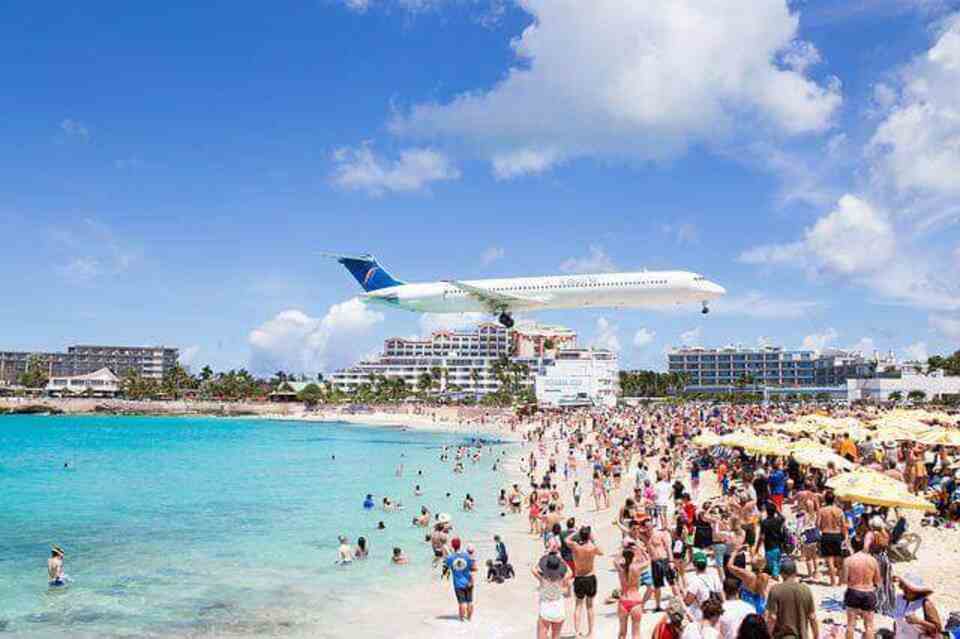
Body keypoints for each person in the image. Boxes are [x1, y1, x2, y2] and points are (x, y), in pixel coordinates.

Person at [765, 559, 818, 639]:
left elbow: (772, 618)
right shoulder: (806, 589)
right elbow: (812, 617)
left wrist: (768, 635)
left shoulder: (775, 590)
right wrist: (816, 636)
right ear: (795, 573)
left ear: (781, 574)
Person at [566, 526, 603, 638]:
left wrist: (576, 532)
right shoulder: (592, 547)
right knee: (590, 606)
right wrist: (593, 538)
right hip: (590, 576)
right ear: (588, 536)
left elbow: (567, 540)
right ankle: (590, 632)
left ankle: (577, 633)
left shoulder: (575, 546)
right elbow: (602, 552)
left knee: (578, 606)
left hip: (579, 577)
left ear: (580, 535)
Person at [842, 546, 880, 639]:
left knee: (850, 624)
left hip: (853, 591)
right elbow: (877, 581)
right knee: (869, 626)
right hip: (868, 592)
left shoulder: (848, 560)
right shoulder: (873, 560)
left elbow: (844, 580)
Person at [533, 552, 572, 639]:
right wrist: (563, 561)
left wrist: (541, 560)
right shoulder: (562, 579)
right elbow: (570, 572)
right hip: (559, 610)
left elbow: (533, 569)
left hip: (546, 609)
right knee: (556, 636)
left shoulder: (543, 579)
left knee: (541, 636)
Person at [892, 574, 942, 639]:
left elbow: (937, 629)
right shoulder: (899, 599)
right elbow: (897, 622)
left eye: (909, 589)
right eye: (905, 587)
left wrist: (919, 621)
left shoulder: (926, 603)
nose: (906, 590)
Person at [816, 492, 848, 587]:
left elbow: (817, 524)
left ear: (825, 499)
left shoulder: (821, 511)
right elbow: (843, 525)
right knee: (839, 559)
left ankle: (833, 581)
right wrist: (845, 536)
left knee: (829, 559)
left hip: (826, 534)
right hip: (837, 535)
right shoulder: (839, 511)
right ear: (834, 499)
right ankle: (840, 581)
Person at [442, 537, 477, 622]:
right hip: (469, 581)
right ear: (460, 545)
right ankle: (469, 618)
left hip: (458, 584)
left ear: (453, 546)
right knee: (470, 601)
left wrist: (445, 550)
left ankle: (461, 619)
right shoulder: (467, 556)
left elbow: (445, 563)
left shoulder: (451, 558)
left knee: (462, 602)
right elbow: (474, 568)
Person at [686, 552, 723, 621]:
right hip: (715, 611)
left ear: (694, 565)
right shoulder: (714, 577)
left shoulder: (694, 580)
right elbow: (721, 596)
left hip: (701, 614)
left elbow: (688, 601)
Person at [755, 503, 786, 579]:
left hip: (769, 546)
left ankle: (775, 581)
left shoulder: (764, 522)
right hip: (779, 545)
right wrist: (777, 509)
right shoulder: (778, 520)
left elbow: (761, 537)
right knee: (776, 564)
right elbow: (783, 517)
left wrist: (757, 548)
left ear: (767, 512)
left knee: (772, 567)